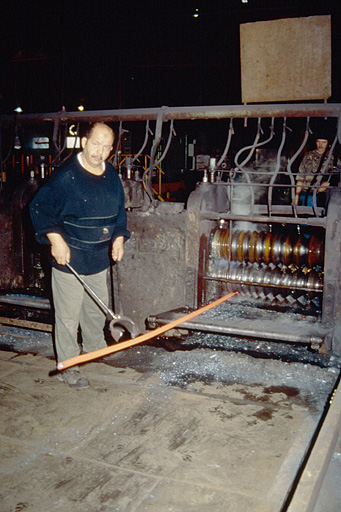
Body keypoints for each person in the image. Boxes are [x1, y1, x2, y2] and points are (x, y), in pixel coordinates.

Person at [30, 123, 130, 388]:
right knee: (67, 316)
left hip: (98, 256)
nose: (101, 151)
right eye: (96, 143)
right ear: (84, 142)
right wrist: (55, 239)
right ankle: (68, 365)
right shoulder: (66, 177)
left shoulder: (111, 174)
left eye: (107, 146)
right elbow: (39, 208)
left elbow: (120, 211)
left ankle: (94, 348)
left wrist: (119, 236)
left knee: (96, 311)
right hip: (70, 258)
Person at [295, 131, 334, 207]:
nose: (320, 145)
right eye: (318, 142)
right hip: (306, 193)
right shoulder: (308, 156)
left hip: (324, 195)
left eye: (324, 142)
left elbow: (337, 176)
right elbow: (300, 178)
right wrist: (296, 198)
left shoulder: (333, 158)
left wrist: (328, 184)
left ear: (328, 143)